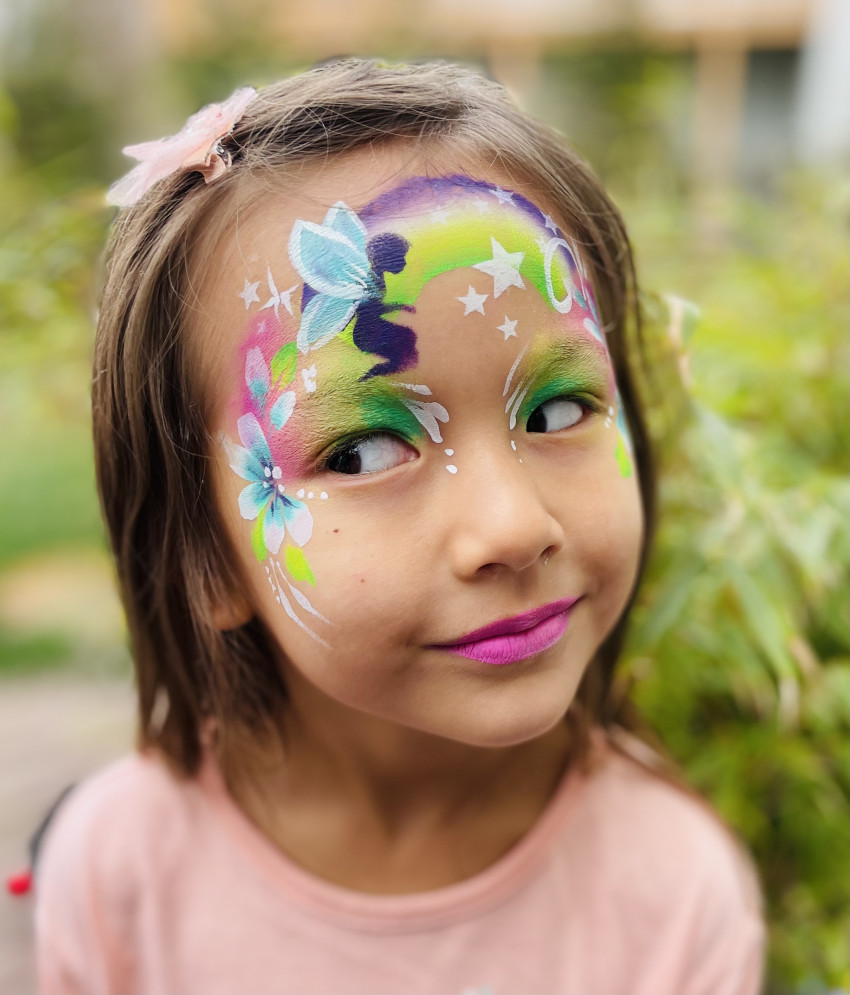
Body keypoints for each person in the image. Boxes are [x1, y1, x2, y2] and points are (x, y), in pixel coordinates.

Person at [33, 59, 765, 994]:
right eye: (366, 451)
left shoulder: (674, 895)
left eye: (556, 411)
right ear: (205, 556)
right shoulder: (118, 876)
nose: (511, 527)